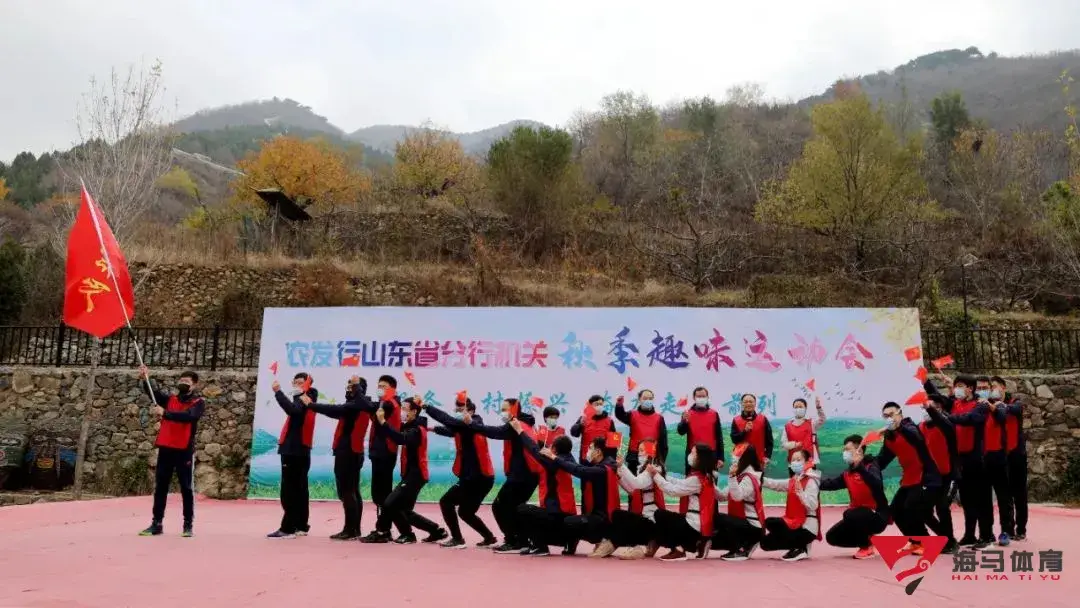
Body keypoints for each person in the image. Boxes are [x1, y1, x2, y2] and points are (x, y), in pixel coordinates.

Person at [362, 397, 448, 544]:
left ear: (414, 411)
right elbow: (392, 431)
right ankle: (434, 531)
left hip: (416, 475)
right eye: (401, 408)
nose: (401, 412)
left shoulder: (416, 430)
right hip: (410, 474)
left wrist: (383, 422)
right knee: (402, 510)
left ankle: (383, 532)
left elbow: (400, 438)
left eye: (404, 409)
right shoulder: (409, 425)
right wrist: (378, 419)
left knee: (389, 503)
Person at [925, 376, 992, 548]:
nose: (957, 389)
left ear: (970, 388)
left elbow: (970, 419)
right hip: (960, 459)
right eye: (955, 386)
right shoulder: (954, 403)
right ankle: (970, 535)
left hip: (977, 458)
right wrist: (925, 381)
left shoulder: (981, 404)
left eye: (960, 386)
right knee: (967, 499)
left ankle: (986, 536)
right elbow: (937, 396)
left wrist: (947, 417)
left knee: (981, 499)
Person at [423, 395, 498, 549]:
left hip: (477, 478)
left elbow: (447, 420)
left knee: (446, 502)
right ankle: (489, 537)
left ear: (471, 411)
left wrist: (426, 407)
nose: (458, 412)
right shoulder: (467, 426)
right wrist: (434, 429)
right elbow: (452, 430)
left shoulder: (473, 424)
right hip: (477, 477)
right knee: (465, 512)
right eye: (456, 409)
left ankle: (457, 539)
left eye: (461, 409)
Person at [138, 368, 205, 538]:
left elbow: (189, 417)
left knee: (186, 488)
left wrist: (166, 413)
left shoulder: (198, 402)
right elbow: (153, 393)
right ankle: (157, 523)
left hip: (184, 450)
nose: (183, 383)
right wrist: (145, 378)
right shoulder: (170, 399)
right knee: (161, 486)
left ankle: (188, 524)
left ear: (194, 385)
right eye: (181, 380)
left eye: (187, 381)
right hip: (166, 448)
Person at [469, 398, 540, 553]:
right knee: (513, 508)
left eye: (505, 409)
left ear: (514, 409)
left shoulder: (516, 424)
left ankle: (514, 541)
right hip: (525, 476)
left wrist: (472, 424)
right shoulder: (523, 423)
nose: (503, 412)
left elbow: (495, 432)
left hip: (522, 476)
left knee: (500, 507)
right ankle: (520, 540)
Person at [305, 375, 371, 540]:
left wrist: (310, 405)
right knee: (353, 490)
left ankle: (350, 530)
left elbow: (334, 409)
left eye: (351, 386)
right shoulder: (359, 405)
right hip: (354, 452)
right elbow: (334, 412)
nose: (348, 389)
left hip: (348, 452)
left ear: (359, 389)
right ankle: (354, 529)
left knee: (347, 492)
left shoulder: (356, 405)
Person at [875, 401, 942, 553]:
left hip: (925, 476)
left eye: (891, 415)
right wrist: (866, 464)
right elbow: (882, 460)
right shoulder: (890, 437)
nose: (889, 418)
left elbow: (915, 438)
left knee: (912, 508)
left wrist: (897, 427)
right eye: (885, 416)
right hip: (908, 478)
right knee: (895, 510)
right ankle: (916, 541)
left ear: (900, 414)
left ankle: (928, 542)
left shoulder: (911, 428)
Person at [542, 435, 622, 558]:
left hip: (604, 519)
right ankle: (602, 539)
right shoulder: (608, 465)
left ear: (598, 452)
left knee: (569, 522)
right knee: (574, 520)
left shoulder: (602, 470)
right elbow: (577, 466)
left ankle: (605, 539)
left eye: (590, 448)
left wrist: (554, 457)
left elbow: (580, 470)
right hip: (602, 516)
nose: (588, 451)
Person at [821, 435, 890, 559]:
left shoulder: (871, 466)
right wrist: (812, 481)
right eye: (844, 450)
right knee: (832, 537)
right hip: (856, 516)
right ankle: (869, 541)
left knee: (850, 514)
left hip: (877, 516)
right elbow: (830, 484)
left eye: (848, 449)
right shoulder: (847, 473)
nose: (845, 453)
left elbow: (877, 484)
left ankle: (866, 547)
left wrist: (861, 469)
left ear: (859, 450)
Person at [267, 373, 317, 539]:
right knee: (300, 489)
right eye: (295, 382)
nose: (296, 385)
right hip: (299, 449)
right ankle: (301, 525)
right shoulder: (305, 397)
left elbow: (292, 411)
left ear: (308, 384)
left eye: (300, 383)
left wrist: (278, 392)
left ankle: (287, 528)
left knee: (289, 491)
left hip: (294, 450)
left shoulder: (306, 397)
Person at [650, 443, 719, 561]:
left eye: (693, 453)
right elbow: (681, 483)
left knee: (660, 515)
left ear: (700, 458)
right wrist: (662, 474)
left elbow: (673, 491)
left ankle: (678, 549)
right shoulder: (707, 477)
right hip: (700, 524)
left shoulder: (696, 480)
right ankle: (695, 543)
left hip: (693, 524)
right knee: (672, 517)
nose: (690, 455)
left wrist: (655, 475)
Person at [513, 433, 578, 556]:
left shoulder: (552, 463)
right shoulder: (569, 460)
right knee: (538, 512)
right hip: (568, 518)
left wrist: (520, 431)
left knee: (522, 509)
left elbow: (533, 449)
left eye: (551, 446)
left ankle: (540, 546)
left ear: (554, 450)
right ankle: (569, 541)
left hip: (557, 518)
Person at [607, 438, 666, 560]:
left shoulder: (655, 468)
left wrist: (622, 466)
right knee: (618, 514)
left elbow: (636, 484)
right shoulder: (643, 469)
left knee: (623, 518)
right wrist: (619, 476)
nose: (639, 453)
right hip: (644, 515)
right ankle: (646, 543)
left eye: (642, 450)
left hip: (651, 518)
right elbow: (632, 489)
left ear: (651, 451)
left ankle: (636, 546)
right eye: (639, 450)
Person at [759, 449, 820, 561]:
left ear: (807, 461)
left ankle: (802, 548)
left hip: (807, 526)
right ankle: (797, 546)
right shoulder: (794, 480)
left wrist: (801, 493)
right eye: (793, 460)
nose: (795, 462)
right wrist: (760, 479)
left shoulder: (811, 480)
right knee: (765, 541)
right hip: (793, 522)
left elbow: (813, 505)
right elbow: (777, 484)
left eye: (798, 460)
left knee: (772, 524)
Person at [360, 375, 402, 538]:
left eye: (383, 386)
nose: (380, 389)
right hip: (378, 452)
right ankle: (382, 528)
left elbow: (369, 406)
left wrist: (357, 390)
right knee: (378, 493)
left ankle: (384, 530)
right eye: (379, 386)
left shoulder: (391, 403)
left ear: (392, 388)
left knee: (382, 493)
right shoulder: (384, 403)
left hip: (386, 452)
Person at [713, 444, 766, 561]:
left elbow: (737, 496)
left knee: (720, 519)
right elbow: (722, 496)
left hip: (752, 526)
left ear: (745, 458)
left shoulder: (749, 478)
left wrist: (732, 476)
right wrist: (711, 482)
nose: (733, 458)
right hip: (744, 522)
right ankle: (739, 546)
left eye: (736, 455)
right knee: (715, 531)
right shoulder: (740, 475)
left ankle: (742, 548)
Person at [676, 386, 725, 513]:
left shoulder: (714, 414)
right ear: (694, 398)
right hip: (693, 456)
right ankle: (690, 514)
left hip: (711, 456)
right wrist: (684, 422)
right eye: (699, 396)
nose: (701, 398)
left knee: (711, 486)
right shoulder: (688, 413)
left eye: (703, 396)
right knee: (691, 485)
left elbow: (719, 436)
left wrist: (720, 457)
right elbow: (680, 432)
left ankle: (712, 515)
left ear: (707, 397)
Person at [922, 395, 960, 553]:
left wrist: (930, 409)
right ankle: (946, 539)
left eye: (934, 407)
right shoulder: (921, 427)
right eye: (926, 407)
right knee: (924, 510)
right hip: (933, 478)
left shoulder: (947, 425)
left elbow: (942, 421)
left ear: (941, 410)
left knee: (942, 507)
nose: (928, 410)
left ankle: (950, 542)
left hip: (950, 475)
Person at [979, 376, 1014, 546]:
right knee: (984, 499)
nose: (983, 391)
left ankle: (1006, 531)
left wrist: (990, 406)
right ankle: (986, 534)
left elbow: (1001, 417)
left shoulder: (1000, 406)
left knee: (1003, 497)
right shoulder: (978, 407)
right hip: (983, 458)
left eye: (987, 387)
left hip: (999, 457)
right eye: (980, 388)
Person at [994, 376, 1028, 540]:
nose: (993, 390)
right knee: (1004, 495)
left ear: (1003, 387)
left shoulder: (1015, 402)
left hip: (1017, 455)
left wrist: (1003, 406)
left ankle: (1021, 529)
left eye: (995, 386)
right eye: (990, 387)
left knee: (1019, 494)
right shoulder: (990, 406)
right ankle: (1007, 529)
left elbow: (1016, 409)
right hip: (1001, 455)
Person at [615, 389, 668, 474]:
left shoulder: (659, 418)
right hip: (634, 455)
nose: (648, 400)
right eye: (645, 398)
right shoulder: (632, 414)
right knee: (632, 479)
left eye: (650, 398)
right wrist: (619, 405)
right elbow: (620, 415)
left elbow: (663, 441)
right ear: (639, 400)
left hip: (651, 455)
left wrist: (661, 460)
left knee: (649, 480)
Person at [731, 393, 773, 470]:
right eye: (746, 402)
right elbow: (734, 440)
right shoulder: (736, 420)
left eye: (751, 401)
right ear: (741, 404)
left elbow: (769, 441)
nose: (748, 404)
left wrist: (767, 457)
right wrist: (745, 431)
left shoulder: (763, 419)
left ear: (755, 403)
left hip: (759, 460)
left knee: (757, 478)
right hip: (740, 460)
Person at [780, 397, 826, 467]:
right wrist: (794, 444)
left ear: (805, 408)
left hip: (809, 461)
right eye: (796, 407)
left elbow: (822, 419)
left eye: (800, 407)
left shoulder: (811, 423)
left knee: (809, 474)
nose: (798, 409)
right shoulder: (787, 426)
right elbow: (783, 444)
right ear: (793, 409)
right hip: (793, 462)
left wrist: (818, 408)